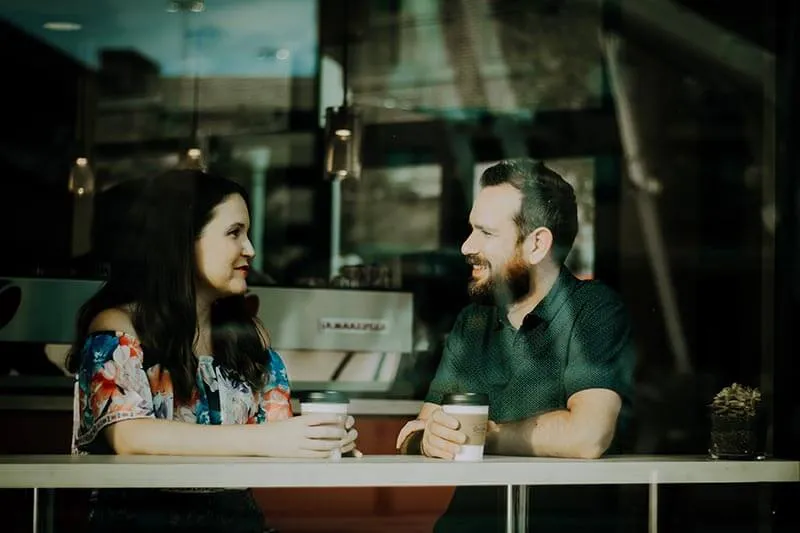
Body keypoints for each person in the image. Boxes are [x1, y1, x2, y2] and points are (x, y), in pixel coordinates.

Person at [66, 169, 358, 533]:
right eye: (234, 233)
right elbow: (129, 436)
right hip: (142, 522)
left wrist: (323, 438)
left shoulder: (248, 336)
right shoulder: (118, 326)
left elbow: (278, 431)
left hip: (237, 521)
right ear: (182, 242)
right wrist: (268, 440)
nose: (250, 249)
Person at [395, 159, 636, 532]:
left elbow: (588, 436)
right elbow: (418, 430)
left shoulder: (593, 310)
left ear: (537, 244)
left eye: (486, 233)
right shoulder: (472, 322)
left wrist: (482, 435)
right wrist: (426, 441)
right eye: (470, 229)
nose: (466, 246)